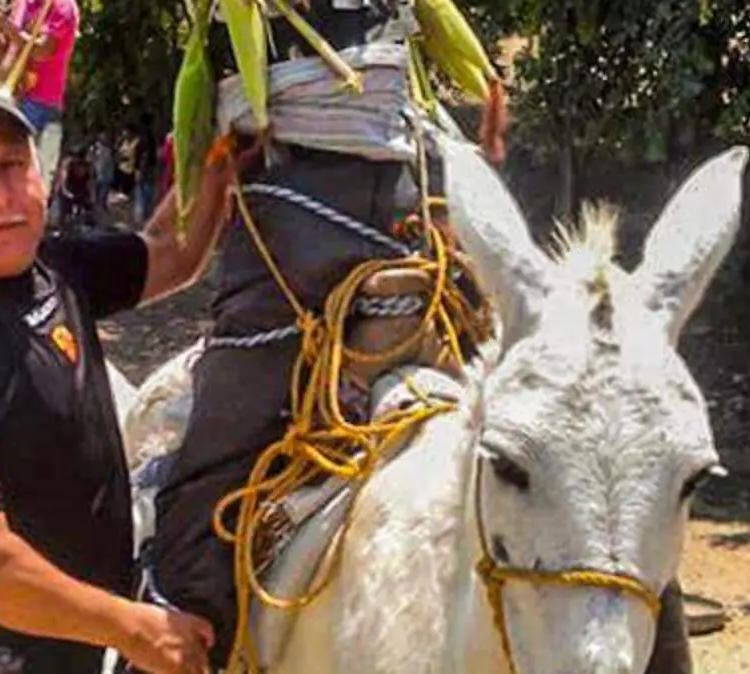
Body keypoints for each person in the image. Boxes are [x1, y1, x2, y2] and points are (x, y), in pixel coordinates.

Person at [148, 2, 697, 672]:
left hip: (391, 235)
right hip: (322, 240)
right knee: (207, 479)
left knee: (582, 439)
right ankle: (177, 636)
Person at [0, 77, 248, 674]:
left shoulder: (53, 269)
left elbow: (168, 250)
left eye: (11, 164)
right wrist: (133, 627)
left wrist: (218, 157)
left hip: (57, 644)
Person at [0, 0, 78, 189]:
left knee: (29, 187)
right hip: (12, 98)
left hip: (41, 105)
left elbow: (42, 51)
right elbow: (2, 53)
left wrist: (5, 25)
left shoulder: (62, 6)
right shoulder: (22, 3)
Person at [55, 145, 93, 232]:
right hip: (68, 191)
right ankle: (63, 229)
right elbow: (63, 178)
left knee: (76, 211)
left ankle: (72, 228)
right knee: (64, 211)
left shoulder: (84, 165)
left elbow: (87, 180)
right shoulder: (68, 164)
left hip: (77, 191)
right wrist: (65, 191)